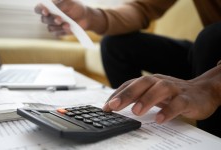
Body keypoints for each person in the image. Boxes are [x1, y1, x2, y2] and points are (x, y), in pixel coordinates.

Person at [35, 0, 221, 137]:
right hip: (199, 55)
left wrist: (213, 86)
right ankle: (128, 118)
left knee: (212, 38)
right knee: (115, 43)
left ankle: (210, 140)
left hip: (213, 55)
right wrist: (89, 16)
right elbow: (142, 8)